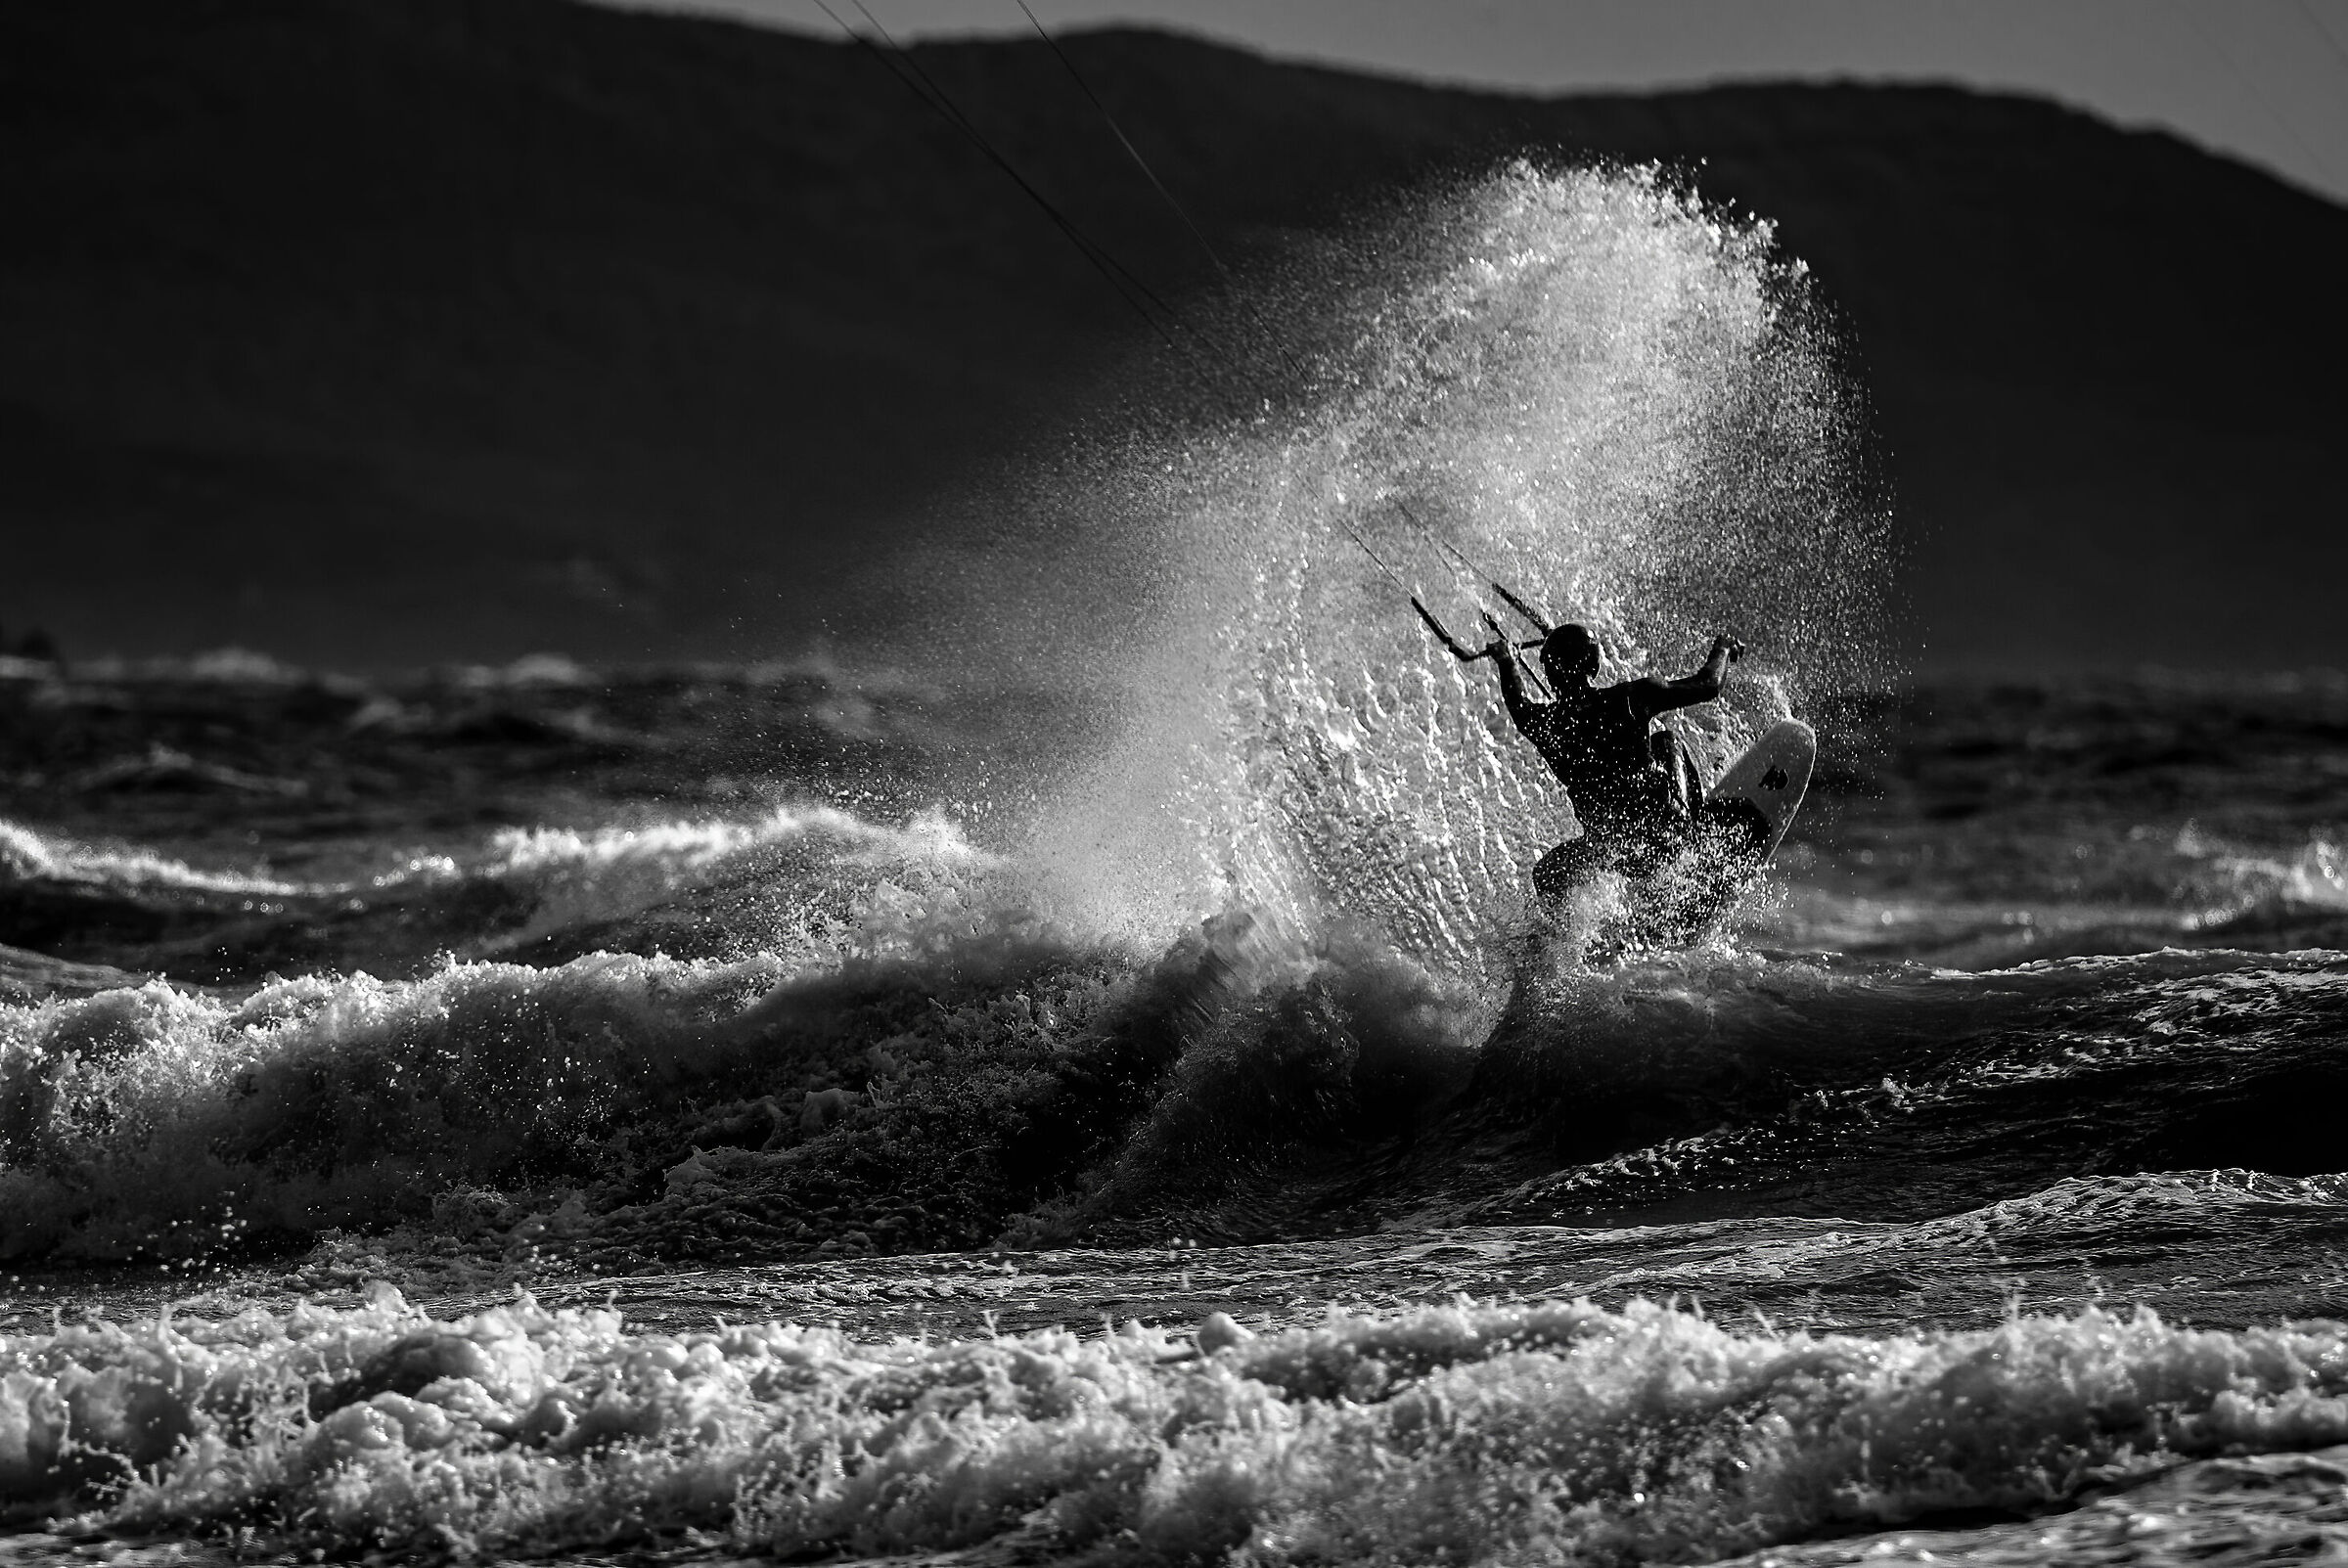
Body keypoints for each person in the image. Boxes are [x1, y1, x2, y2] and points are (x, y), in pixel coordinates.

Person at [1479, 622, 1744, 901]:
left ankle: (1566, 932)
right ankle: (1700, 844)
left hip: (1612, 850)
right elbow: (1708, 685)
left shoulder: (1545, 724)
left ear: (1548, 672)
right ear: (1593, 667)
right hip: (1664, 834)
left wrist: (1507, 662)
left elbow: (1519, 704)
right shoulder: (1631, 698)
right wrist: (1723, 647)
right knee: (1667, 741)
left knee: (1546, 874)